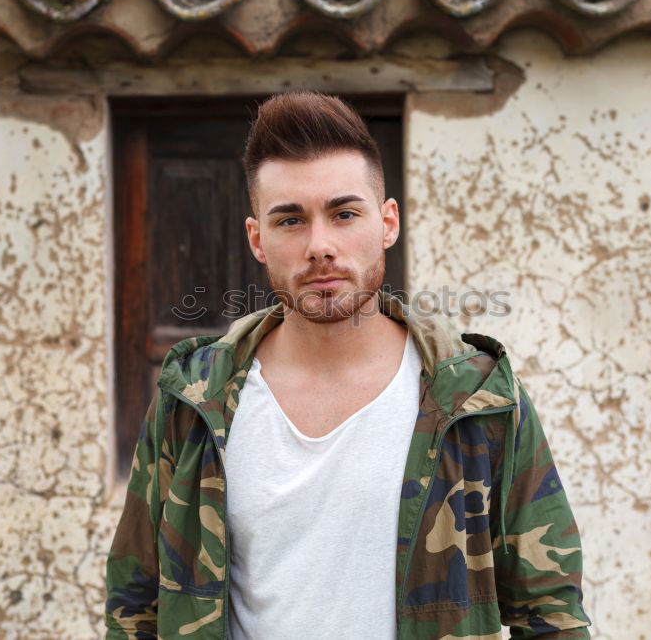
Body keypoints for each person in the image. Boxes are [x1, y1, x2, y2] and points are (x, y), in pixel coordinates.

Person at [104, 91, 591, 639]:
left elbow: (548, 610)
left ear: (387, 222)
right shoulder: (192, 401)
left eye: (344, 213)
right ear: (256, 238)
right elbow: (135, 601)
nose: (320, 245)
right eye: (290, 220)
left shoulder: (476, 396)